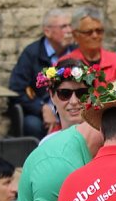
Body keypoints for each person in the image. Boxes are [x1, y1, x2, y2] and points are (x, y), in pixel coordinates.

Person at [8, 9, 76, 138]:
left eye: (69, 25)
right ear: (47, 32)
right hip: (40, 110)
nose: (69, 31)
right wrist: (41, 108)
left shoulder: (75, 52)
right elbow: (16, 89)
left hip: (72, 105)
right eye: (63, 27)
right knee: (32, 124)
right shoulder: (32, 53)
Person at [59, 6, 116, 83]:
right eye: (88, 32)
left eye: (99, 31)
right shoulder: (65, 64)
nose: (95, 36)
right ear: (75, 35)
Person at [35, 58, 101, 140]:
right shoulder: (46, 143)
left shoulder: (102, 139)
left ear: (91, 95)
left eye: (82, 93)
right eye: (64, 94)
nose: (74, 101)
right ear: (52, 95)